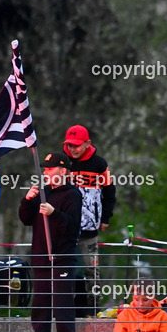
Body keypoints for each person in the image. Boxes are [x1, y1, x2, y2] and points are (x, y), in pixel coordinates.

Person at [16, 151, 82, 332]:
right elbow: (25, 219)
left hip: (62, 258)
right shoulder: (42, 193)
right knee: (40, 305)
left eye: (50, 168)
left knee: (62, 304)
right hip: (41, 258)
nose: (46, 172)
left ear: (63, 171)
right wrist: (27, 200)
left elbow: (73, 228)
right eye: (44, 168)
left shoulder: (72, 194)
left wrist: (54, 213)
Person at [63, 124, 116, 313]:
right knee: (62, 268)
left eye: (76, 145)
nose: (72, 149)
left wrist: (105, 218)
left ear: (87, 144)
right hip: (65, 226)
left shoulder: (99, 164)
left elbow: (110, 192)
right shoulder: (63, 162)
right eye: (69, 145)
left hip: (90, 228)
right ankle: (61, 308)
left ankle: (93, 309)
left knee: (92, 270)